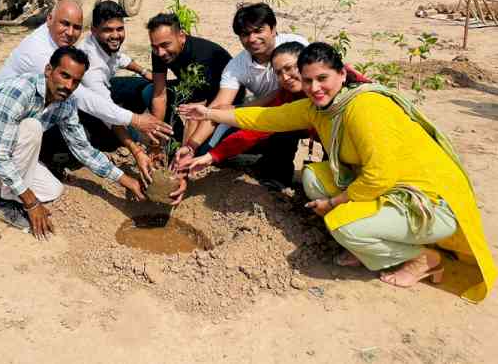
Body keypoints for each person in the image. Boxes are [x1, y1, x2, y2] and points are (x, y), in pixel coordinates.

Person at [179, 43, 496, 300]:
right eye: (307, 80)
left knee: (342, 225)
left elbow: (379, 176)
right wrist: (208, 112)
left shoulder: (364, 108)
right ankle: (369, 241)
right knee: (314, 177)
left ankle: (423, 259)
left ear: (342, 75)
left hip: (429, 201)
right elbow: (262, 119)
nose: (314, 87)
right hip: (388, 189)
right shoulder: (318, 107)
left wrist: (334, 204)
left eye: (322, 78)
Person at [0, 46, 146, 239]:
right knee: (31, 127)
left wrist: (126, 180)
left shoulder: (66, 102)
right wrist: (30, 203)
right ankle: (7, 206)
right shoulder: (20, 91)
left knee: (51, 190)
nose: (68, 86)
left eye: (76, 81)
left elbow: (83, 149)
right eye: (64, 76)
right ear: (49, 70)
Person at [181, 41, 369, 185]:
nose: (285, 77)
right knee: (283, 131)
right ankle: (278, 179)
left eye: (289, 68)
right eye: (278, 73)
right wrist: (212, 155)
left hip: (362, 156)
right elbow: (257, 125)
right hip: (328, 138)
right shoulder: (288, 96)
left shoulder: (359, 98)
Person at [0, 0, 169, 144]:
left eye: (76, 27)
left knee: (138, 88)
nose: (70, 33)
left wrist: (144, 71)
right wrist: (136, 123)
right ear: (49, 19)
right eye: (64, 24)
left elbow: (121, 58)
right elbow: (85, 98)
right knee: (92, 133)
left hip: (38, 106)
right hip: (5, 121)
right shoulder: (40, 53)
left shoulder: (57, 39)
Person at [174, 3, 308, 183]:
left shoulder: (297, 47)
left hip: (298, 113)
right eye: (245, 34)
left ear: (273, 28)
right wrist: (191, 147)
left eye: (259, 30)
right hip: (269, 114)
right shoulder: (237, 66)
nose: (253, 38)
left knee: (286, 127)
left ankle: (278, 174)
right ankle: (266, 159)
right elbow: (218, 110)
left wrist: (240, 106)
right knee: (210, 148)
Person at [76, 1, 170, 181]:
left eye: (119, 29)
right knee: (122, 136)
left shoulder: (107, 45)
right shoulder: (92, 68)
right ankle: (105, 141)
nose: (115, 35)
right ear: (94, 31)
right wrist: (136, 149)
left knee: (143, 85)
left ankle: (135, 129)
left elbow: (121, 59)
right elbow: (107, 113)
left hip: (106, 90)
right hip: (86, 109)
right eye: (108, 30)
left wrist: (144, 72)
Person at [112, 12, 234, 146]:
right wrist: (156, 142)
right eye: (155, 46)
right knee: (149, 91)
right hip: (193, 91)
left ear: (181, 36)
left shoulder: (200, 56)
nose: (160, 52)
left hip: (223, 100)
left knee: (201, 149)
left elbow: (195, 113)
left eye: (165, 45)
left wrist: (187, 151)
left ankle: (183, 148)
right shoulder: (159, 51)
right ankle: (173, 139)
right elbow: (159, 95)